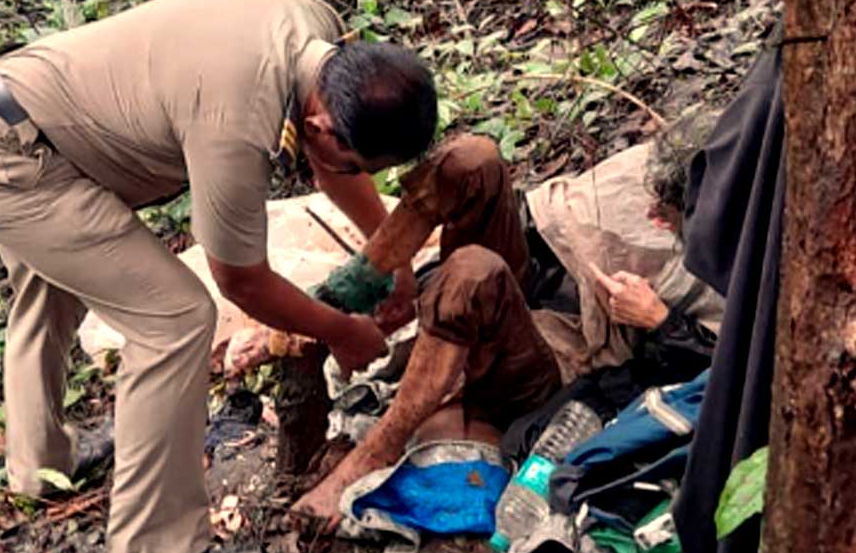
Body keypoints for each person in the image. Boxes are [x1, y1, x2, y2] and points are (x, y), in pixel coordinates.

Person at [0, 0, 436, 553]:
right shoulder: (236, 116)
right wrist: (340, 330)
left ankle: (40, 464)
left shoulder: (316, 33)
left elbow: (334, 167)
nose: (359, 172)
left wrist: (393, 253)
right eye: (362, 162)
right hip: (6, 156)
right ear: (321, 127)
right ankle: (159, 545)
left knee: (51, 286)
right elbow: (242, 279)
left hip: (11, 118)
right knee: (174, 320)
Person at [292, 118, 722, 528]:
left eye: (665, 212)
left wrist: (659, 320)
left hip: (567, 353)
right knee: (471, 159)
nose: (651, 215)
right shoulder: (680, 162)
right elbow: (546, 214)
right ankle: (342, 295)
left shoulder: (746, 264)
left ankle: (373, 453)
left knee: (471, 272)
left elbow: (714, 384)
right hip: (537, 278)